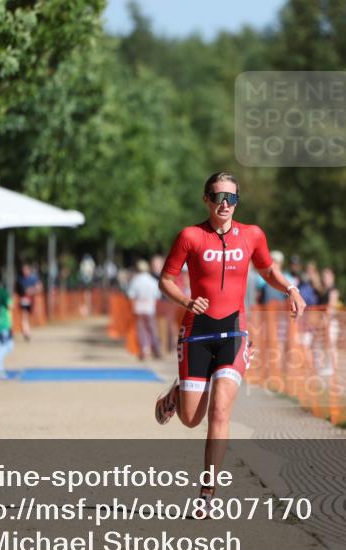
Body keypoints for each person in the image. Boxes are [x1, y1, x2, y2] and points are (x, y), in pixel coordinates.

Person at [154, 172, 306, 515]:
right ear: (205, 199)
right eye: (218, 197)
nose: (225, 204)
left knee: (220, 411)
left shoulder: (252, 235)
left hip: (235, 332)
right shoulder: (190, 236)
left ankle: (207, 493)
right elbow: (166, 279)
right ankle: (175, 397)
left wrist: (291, 289)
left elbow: (267, 271)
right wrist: (186, 301)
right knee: (192, 419)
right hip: (196, 332)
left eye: (232, 198)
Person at [128, 259, 162, 360]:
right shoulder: (152, 281)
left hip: (139, 308)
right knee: (152, 329)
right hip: (150, 308)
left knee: (142, 330)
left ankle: (144, 350)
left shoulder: (135, 280)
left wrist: (133, 307)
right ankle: (156, 349)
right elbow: (157, 296)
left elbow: (131, 295)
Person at [16, 263, 42, 341]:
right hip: (23, 300)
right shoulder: (20, 279)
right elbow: (17, 290)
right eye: (23, 269)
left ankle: (27, 331)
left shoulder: (33, 278)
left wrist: (32, 290)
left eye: (26, 269)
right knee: (24, 316)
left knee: (27, 316)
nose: (25, 271)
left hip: (31, 300)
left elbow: (39, 288)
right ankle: (26, 332)